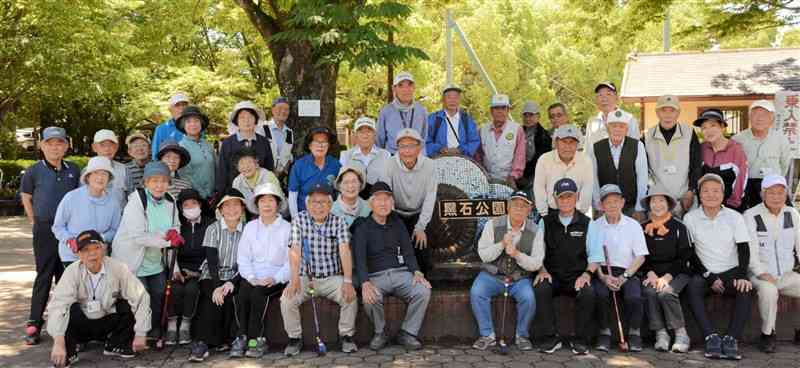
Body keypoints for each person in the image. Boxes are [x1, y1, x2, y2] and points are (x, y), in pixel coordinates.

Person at [47, 230, 151, 367]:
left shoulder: (118, 268)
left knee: (126, 303)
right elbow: (58, 306)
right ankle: (70, 350)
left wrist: (140, 333)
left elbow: (141, 296)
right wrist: (58, 343)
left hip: (107, 320)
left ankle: (115, 343)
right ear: (78, 254)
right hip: (81, 324)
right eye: (85, 250)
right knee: (68, 309)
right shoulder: (71, 272)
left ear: (103, 249)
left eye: (96, 248)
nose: (92, 253)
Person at [280, 183, 358, 356]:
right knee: (287, 300)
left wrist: (347, 281)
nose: (318, 206)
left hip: (332, 277)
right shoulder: (299, 220)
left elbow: (345, 250)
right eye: (314, 202)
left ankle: (346, 336)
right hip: (306, 278)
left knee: (350, 297)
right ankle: (294, 338)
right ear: (307, 204)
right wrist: (293, 280)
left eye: (323, 202)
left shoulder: (338, 222)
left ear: (330, 205)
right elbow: (295, 251)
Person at [20, 126, 81, 345]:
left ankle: (67, 324)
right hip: (45, 229)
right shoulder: (33, 170)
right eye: (50, 143)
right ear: (42, 146)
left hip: (68, 231)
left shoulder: (74, 169)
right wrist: (34, 220)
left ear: (66, 146)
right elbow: (26, 196)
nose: (55, 147)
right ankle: (34, 323)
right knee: (44, 275)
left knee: (67, 276)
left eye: (60, 143)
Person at [353, 181, 432, 351]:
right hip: (376, 276)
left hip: (401, 273)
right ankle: (380, 332)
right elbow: (359, 259)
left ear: (392, 203)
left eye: (387, 199)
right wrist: (365, 282)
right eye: (379, 199)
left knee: (423, 290)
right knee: (370, 297)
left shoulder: (397, 223)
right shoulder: (363, 227)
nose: (383, 203)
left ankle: (408, 332)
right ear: (371, 203)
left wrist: (417, 271)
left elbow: (408, 251)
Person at [684, 173, 753, 360]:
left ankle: (732, 338)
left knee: (745, 289)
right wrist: (709, 276)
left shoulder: (734, 217)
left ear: (723, 194)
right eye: (705, 191)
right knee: (693, 286)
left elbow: (743, 249)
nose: (711, 195)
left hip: (731, 270)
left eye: (716, 191)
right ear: (699, 194)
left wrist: (742, 275)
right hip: (704, 272)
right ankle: (710, 337)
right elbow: (690, 253)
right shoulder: (690, 218)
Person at [113, 161, 183, 342]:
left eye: (163, 181)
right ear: (146, 182)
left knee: (159, 295)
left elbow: (175, 228)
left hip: (154, 261)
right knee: (140, 297)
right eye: (154, 181)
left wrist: (174, 267)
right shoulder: (136, 202)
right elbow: (138, 236)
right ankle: (135, 334)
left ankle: (152, 331)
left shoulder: (171, 201)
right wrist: (166, 241)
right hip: (133, 259)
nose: (159, 185)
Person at [470, 190, 543, 351]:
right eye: (515, 205)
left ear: (529, 210)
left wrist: (517, 254)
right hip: (493, 275)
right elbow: (484, 255)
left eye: (523, 206)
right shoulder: (492, 224)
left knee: (528, 298)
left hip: (519, 278)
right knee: (477, 291)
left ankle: (522, 335)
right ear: (508, 207)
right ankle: (487, 335)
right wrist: (501, 245)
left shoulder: (536, 230)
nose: (519, 209)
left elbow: (536, 263)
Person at [533, 178, 598, 355]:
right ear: (555, 199)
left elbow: (595, 256)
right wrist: (541, 269)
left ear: (576, 197)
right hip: (551, 274)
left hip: (577, 276)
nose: (565, 201)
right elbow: (538, 251)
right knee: (540, 288)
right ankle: (550, 338)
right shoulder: (545, 222)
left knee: (588, 292)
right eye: (561, 197)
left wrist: (586, 275)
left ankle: (580, 340)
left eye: (569, 196)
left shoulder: (587, 223)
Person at [232, 183, 291, 358]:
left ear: (278, 204)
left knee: (258, 294)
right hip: (253, 277)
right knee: (243, 293)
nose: (266, 204)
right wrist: (251, 277)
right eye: (262, 200)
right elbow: (243, 258)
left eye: (271, 200)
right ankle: (241, 337)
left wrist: (275, 278)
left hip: (276, 277)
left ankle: (256, 340)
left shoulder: (287, 228)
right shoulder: (250, 227)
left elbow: (291, 261)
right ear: (257, 205)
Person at [189, 189, 248, 362]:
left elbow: (246, 262)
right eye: (227, 206)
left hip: (237, 274)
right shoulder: (213, 229)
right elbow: (212, 261)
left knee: (232, 298)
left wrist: (230, 282)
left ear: (243, 208)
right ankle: (203, 343)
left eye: (236, 205)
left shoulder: (247, 230)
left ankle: (229, 340)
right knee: (212, 298)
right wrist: (217, 286)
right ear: (220, 210)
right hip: (212, 274)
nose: (231, 209)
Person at [588, 184, 649, 352]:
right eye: (608, 202)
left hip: (628, 271)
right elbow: (592, 257)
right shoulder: (594, 226)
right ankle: (604, 332)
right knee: (600, 294)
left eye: (616, 201)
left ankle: (635, 333)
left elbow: (640, 257)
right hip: (603, 271)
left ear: (622, 202)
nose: (612, 205)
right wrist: (603, 277)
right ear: (601, 205)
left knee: (634, 297)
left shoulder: (633, 225)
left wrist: (624, 277)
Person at [743, 175, 800, 353]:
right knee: (769, 291)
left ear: (786, 194)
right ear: (763, 194)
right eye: (771, 193)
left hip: (786, 275)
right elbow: (750, 251)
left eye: (780, 193)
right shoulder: (751, 215)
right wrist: (760, 272)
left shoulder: (793, 214)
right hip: (759, 275)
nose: (776, 197)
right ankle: (768, 334)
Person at [638, 189, 693, 353]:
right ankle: (661, 333)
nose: (657, 205)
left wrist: (667, 277)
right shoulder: (642, 228)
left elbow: (685, 257)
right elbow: (639, 255)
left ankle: (681, 333)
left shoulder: (679, 227)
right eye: (653, 201)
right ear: (648, 205)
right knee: (649, 292)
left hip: (677, 272)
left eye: (661, 200)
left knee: (666, 293)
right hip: (651, 273)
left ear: (668, 204)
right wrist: (650, 273)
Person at [164, 189, 214, 346]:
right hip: (179, 268)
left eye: (194, 203)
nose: (190, 207)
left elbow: (212, 253)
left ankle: (185, 325)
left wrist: (198, 273)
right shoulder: (177, 224)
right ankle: (172, 326)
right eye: (186, 205)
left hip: (200, 269)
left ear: (200, 204)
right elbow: (169, 249)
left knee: (192, 289)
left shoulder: (210, 224)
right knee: (175, 288)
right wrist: (176, 271)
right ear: (181, 208)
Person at [384, 128, 438, 274]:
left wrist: (420, 226)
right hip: (396, 212)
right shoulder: (389, 164)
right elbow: (387, 195)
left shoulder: (430, 165)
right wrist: (393, 221)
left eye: (411, 146)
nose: (407, 151)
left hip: (419, 212)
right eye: (402, 146)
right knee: (395, 244)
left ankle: (423, 281)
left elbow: (430, 197)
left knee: (421, 245)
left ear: (419, 147)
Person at [52, 156, 122, 267]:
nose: (100, 177)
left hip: (99, 255)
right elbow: (58, 227)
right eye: (95, 173)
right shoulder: (71, 197)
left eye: (104, 174)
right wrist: (71, 241)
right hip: (73, 255)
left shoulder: (113, 201)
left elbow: (115, 229)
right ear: (88, 177)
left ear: (109, 179)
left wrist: (101, 238)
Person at [642, 95, 702, 216]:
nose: (668, 115)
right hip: (659, 202)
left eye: (672, 110)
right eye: (663, 110)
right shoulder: (647, 136)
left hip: (685, 199)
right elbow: (644, 170)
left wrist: (691, 191)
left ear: (678, 112)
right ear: (657, 112)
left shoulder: (689, 132)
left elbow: (696, 164)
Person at [589, 109, 648, 219]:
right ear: (607, 128)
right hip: (605, 207)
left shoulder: (637, 146)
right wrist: (598, 206)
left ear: (627, 129)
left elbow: (642, 178)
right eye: (614, 126)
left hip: (631, 206)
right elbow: (593, 178)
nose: (617, 129)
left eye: (621, 126)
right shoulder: (596, 147)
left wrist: (639, 208)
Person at [733, 100, 792, 210]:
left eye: (764, 115)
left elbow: (784, 164)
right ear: (750, 117)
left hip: (773, 185)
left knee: (784, 217)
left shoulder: (780, 139)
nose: (759, 118)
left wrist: (775, 178)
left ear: (772, 119)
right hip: (747, 186)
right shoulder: (738, 139)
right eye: (755, 114)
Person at [216, 100, 275, 196]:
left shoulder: (263, 142)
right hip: (235, 193)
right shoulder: (228, 143)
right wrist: (223, 194)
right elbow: (222, 171)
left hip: (260, 193)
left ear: (255, 120)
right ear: (236, 121)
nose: (246, 121)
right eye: (242, 118)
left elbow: (269, 167)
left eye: (250, 117)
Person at [533, 124, 593, 216]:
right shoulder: (544, 159)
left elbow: (587, 189)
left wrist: (580, 212)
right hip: (550, 212)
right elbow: (539, 188)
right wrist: (544, 213)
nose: (567, 146)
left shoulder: (586, 161)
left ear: (577, 144)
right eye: (564, 141)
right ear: (556, 142)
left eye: (572, 142)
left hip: (577, 212)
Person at [695, 109, 748, 210]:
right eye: (704, 127)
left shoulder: (736, 149)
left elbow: (741, 180)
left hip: (730, 206)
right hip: (705, 206)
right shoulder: (701, 148)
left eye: (713, 125)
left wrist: (732, 204)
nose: (708, 131)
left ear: (722, 127)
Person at [288, 126, 341, 218]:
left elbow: (340, 192)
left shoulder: (336, 165)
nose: (320, 145)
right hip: (304, 215)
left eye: (324, 142)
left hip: (329, 216)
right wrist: (295, 219)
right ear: (310, 145)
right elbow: (292, 195)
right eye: (316, 141)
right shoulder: (299, 166)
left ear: (328, 145)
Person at [479, 94, 525, 187]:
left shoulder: (517, 129)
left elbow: (519, 156)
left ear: (508, 110)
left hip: (508, 180)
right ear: (491, 111)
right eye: (496, 108)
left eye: (503, 108)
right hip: (486, 179)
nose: (500, 111)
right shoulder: (482, 129)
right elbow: (478, 155)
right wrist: (481, 173)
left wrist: (513, 176)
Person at [376, 71, 428, 155]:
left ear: (414, 87)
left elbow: (424, 137)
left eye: (409, 85)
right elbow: (379, 140)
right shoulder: (386, 111)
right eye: (401, 85)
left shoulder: (421, 110)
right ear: (394, 88)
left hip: (416, 158)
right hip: (393, 157)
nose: (405, 89)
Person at [339, 116, 391, 198]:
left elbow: (387, 183)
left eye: (369, 131)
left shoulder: (385, 155)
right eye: (361, 132)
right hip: (353, 201)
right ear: (355, 135)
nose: (365, 135)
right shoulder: (345, 155)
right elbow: (343, 185)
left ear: (375, 134)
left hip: (378, 200)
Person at [425, 84, 480, 158]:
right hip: (438, 159)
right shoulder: (433, 119)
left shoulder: (467, 120)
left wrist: (460, 150)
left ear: (459, 99)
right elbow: (425, 141)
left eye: (456, 97)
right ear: (443, 100)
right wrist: (440, 149)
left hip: (462, 160)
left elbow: (474, 141)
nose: (453, 100)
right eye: (449, 97)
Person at [583, 81, 639, 150]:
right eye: (600, 95)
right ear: (596, 99)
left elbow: (636, 149)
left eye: (608, 94)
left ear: (616, 97)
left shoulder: (629, 119)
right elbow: (587, 149)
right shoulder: (592, 122)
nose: (604, 98)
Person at [177, 105, 216, 200]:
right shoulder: (181, 147)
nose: (193, 124)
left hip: (214, 196)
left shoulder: (208, 145)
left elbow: (216, 167)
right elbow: (185, 176)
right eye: (188, 122)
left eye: (196, 121)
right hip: (195, 197)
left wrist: (216, 191)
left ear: (201, 123)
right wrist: (203, 195)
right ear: (183, 125)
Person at [231, 147, 281, 215]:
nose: (246, 166)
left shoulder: (268, 177)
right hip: (254, 216)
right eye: (242, 163)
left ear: (257, 164)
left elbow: (278, 203)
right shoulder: (237, 182)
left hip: (276, 214)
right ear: (237, 168)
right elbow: (239, 206)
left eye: (249, 162)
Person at [518, 101, 552, 192]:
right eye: (525, 115)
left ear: (538, 116)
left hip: (535, 176)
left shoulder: (544, 136)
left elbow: (541, 159)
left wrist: (526, 176)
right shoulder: (517, 132)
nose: (528, 118)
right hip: (517, 175)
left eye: (531, 115)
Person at [92, 129, 129, 208]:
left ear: (116, 147)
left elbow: (131, 197)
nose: (107, 149)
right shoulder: (86, 172)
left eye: (111, 145)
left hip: (120, 217)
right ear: (94, 147)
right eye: (102, 145)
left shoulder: (124, 169)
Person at [264, 97, 295, 183]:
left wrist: (284, 170)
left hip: (280, 178)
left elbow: (289, 155)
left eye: (286, 109)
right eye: (280, 108)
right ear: (273, 110)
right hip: (263, 175)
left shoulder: (289, 132)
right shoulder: (263, 128)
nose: (283, 111)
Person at [152, 92, 190, 159]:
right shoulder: (161, 129)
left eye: (184, 105)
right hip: (170, 167)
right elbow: (155, 154)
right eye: (177, 105)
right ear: (170, 109)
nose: (181, 108)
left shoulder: (195, 127)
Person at [125, 131, 151, 195]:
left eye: (143, 145)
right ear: (129, 151)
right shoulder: (125, 170)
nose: (140, 148)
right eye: (135, 146)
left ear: (150, 149)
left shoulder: (157, 167)